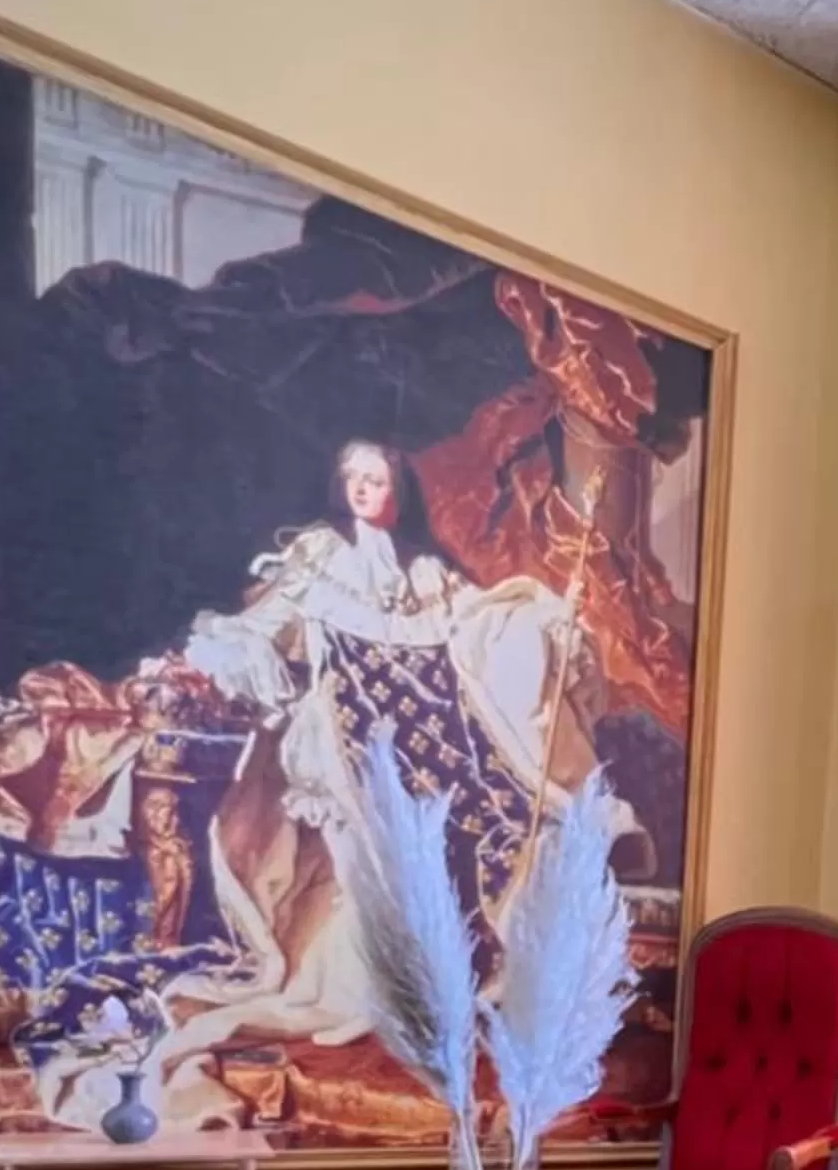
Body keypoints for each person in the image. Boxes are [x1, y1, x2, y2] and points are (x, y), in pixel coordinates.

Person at [153, 439, 627, 1123]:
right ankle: (364, 985)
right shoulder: (319, 559)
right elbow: (265, 628)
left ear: (400, 492)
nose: (363, 490)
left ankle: (418, 989)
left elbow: (485, 630)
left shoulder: (429, 575)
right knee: (363, 858)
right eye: (353, 478)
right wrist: (239, 652)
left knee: (455, 845)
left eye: (376, 480)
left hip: (430, 747)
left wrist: (549, 624)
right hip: (344, 736)